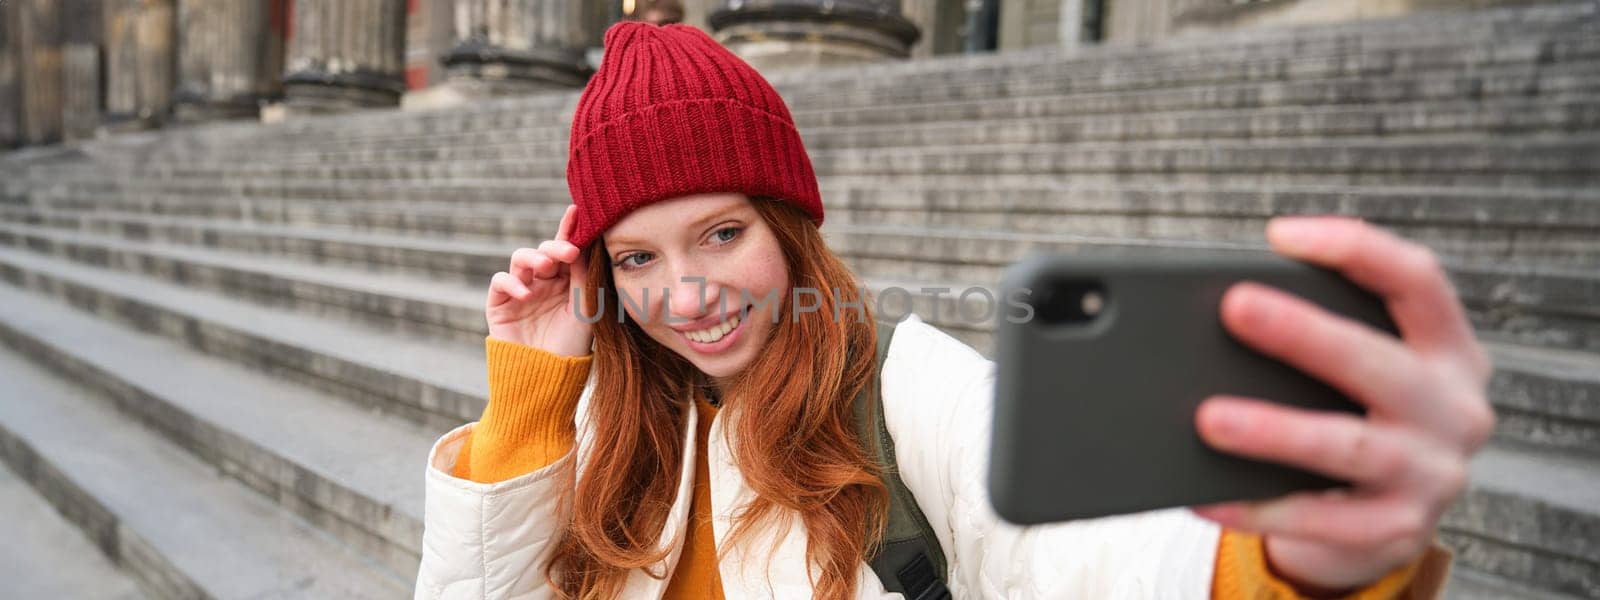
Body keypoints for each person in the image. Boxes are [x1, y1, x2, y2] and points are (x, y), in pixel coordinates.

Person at [413, 20, 1490, 599]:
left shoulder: (909, 390)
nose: (682, 294)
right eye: (636, 257)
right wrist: (531, 398)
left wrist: (1301, 567)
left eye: (723, 234)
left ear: (791, 230)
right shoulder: (604, 423)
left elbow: (1103, 567)